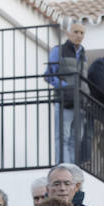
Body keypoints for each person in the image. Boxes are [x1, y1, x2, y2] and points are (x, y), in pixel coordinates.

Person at [44, 21, 87, 163]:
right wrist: (65, 86)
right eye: (75, 32)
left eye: (81, 33)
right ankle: (63, 167)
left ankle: (72, 170)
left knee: (76, 139)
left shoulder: (82, 54)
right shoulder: (59, 50)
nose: (79, 35)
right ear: (68, 33)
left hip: (79, 102)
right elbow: (49, 75)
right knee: (63, 137)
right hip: (64, 101)